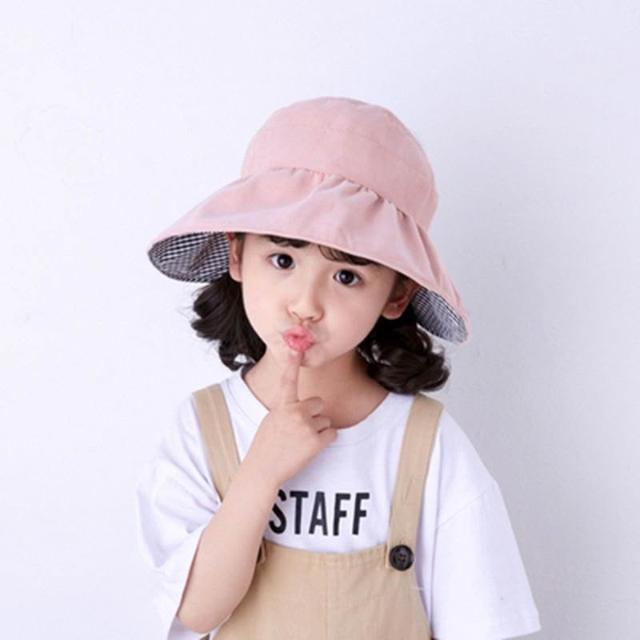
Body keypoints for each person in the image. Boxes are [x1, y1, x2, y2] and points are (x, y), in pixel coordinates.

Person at [135, 96, 542, 639]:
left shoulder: (425, 443)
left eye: (347, 276)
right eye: (283, 259)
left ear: (396, 294)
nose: (306, 303)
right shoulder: (203, 429)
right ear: (237, 255)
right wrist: (261, 470)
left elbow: (485, 624)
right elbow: (195, 612)